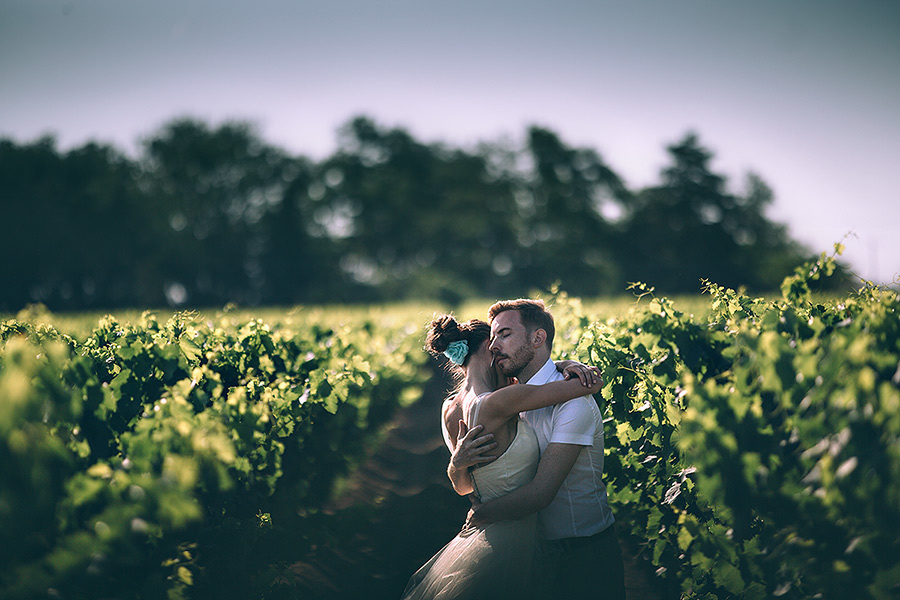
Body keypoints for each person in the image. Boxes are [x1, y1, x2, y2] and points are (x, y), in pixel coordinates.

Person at [402, 314, 603, 600]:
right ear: (489, 349)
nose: (499, 347)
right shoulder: (501, 401)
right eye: (495, 341)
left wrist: (456, 464)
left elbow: (464, 487)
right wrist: (571, 366)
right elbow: (587, 386)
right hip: (518, 537)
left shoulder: (449, 409)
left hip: (487, 538)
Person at [455, 298, 626, 599]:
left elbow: (541, 493)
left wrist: (481, 514)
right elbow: (468, 485)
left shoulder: (574, 403)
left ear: (537, 338)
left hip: (582, 557)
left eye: (504, 334)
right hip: (529, 556)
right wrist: (458, 464)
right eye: (492, 337)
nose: (494, 346)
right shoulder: (507, 399)